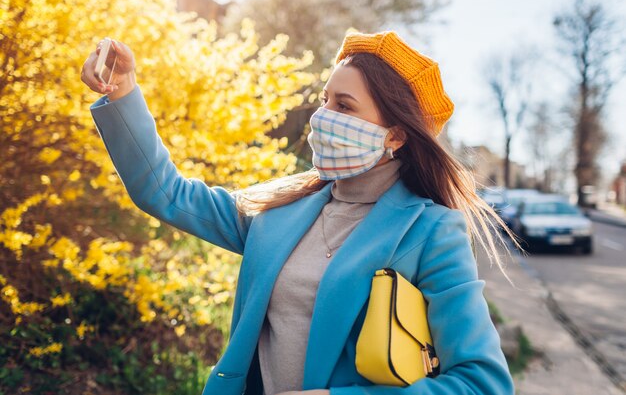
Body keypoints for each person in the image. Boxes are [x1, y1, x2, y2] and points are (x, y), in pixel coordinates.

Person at [81, 30, 521, 395]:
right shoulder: (281, 209)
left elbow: (482, 382)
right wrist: (122, 93)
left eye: (344, 107)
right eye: (325, 99)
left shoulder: (432, 230)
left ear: (396, 137)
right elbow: (165, 193)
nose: (322, 117)